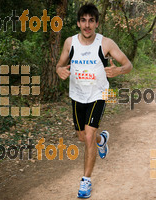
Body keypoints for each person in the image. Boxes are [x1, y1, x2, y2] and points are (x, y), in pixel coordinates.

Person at [56, 3, 132, 199]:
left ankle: (86, 180)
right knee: (83, 137)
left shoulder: (106, 43)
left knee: (88, 137)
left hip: (99, 94)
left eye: (91, 20)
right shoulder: (70, 43)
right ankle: (102, 139)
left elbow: (128, 64)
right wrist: (59, 70)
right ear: (78, 23)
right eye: (83, 20)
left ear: (97, 23)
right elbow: (59, 64)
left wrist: (118, 70)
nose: (87, 25)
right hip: (77, 95)